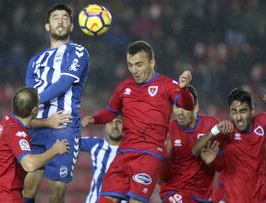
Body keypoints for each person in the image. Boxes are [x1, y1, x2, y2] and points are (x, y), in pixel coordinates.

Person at [82, 40, 194, 203]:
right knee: (105, 199)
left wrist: (184, 89)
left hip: (148, 155)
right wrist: (94, 119)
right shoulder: (124, 87)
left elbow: (187, 105)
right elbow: (111, 112)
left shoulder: (167, 85)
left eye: (139, 64)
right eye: (130, 65)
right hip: (124, 153)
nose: (134, 70)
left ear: (151, 62)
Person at [23, 4, 90, 203]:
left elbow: (63, 84)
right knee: (28, 188)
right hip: (38, 126)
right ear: (47, 26)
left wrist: (32, 102)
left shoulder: (78, 51)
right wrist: (31, 114)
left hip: (63, 125)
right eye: (55, 17)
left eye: (65, 18)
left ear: (71, 26)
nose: (60, 21)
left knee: (57, 191)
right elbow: (28, 93)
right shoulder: (35, 60)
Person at [194, 87, 266, 203]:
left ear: (252, 110)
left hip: (264, 200)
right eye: (234, 112)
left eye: (242, 111)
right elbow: (195, 151)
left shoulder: (263, 122)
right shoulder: (225, 132)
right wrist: (214, 131)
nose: (238, 117)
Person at [0, 87, 70, 203]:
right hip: (7, 196)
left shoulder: (8, 120)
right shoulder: (16, 133)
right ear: (34, 110)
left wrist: (47, 122)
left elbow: (28, 123)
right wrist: (55, 150)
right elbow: (29, 165)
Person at [159, 85, 227, 203]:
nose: (180, 112)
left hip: (203, 196)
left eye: (185, 107)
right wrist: (166, 157)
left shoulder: (211, 125)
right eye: (177, 107)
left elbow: (221, 166)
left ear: (196, 107)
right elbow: (161, 179)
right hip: (174, 192)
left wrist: (213, 162)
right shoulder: (168, 131)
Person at [80, 116, 123, 203]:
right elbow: (70, 141)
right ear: (105, 126)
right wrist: (79, 124)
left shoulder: (133, 150)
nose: (114, 126)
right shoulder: (96, 144)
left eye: (118, 122)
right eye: (110, 122)